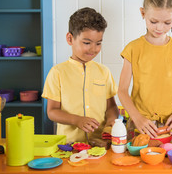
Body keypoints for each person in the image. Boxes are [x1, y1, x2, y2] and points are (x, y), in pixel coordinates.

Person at [118, 0, 172, 142]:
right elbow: (122, 90)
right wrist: (137, 118)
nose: (160, 27)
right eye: (153, 21)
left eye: (167, 22)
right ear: (143, 13)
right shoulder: (132, 49)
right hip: (141, 125)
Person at [42, 7, 119, 144]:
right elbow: (52, 111)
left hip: (100, 144)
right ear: (70, 39)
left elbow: (111, 107)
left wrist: (111, 122)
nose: (93, 49)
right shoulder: (57, 73)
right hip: (69, 145)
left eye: (98, 43)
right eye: (87, 43)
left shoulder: (104, 72)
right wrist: (76, 120)